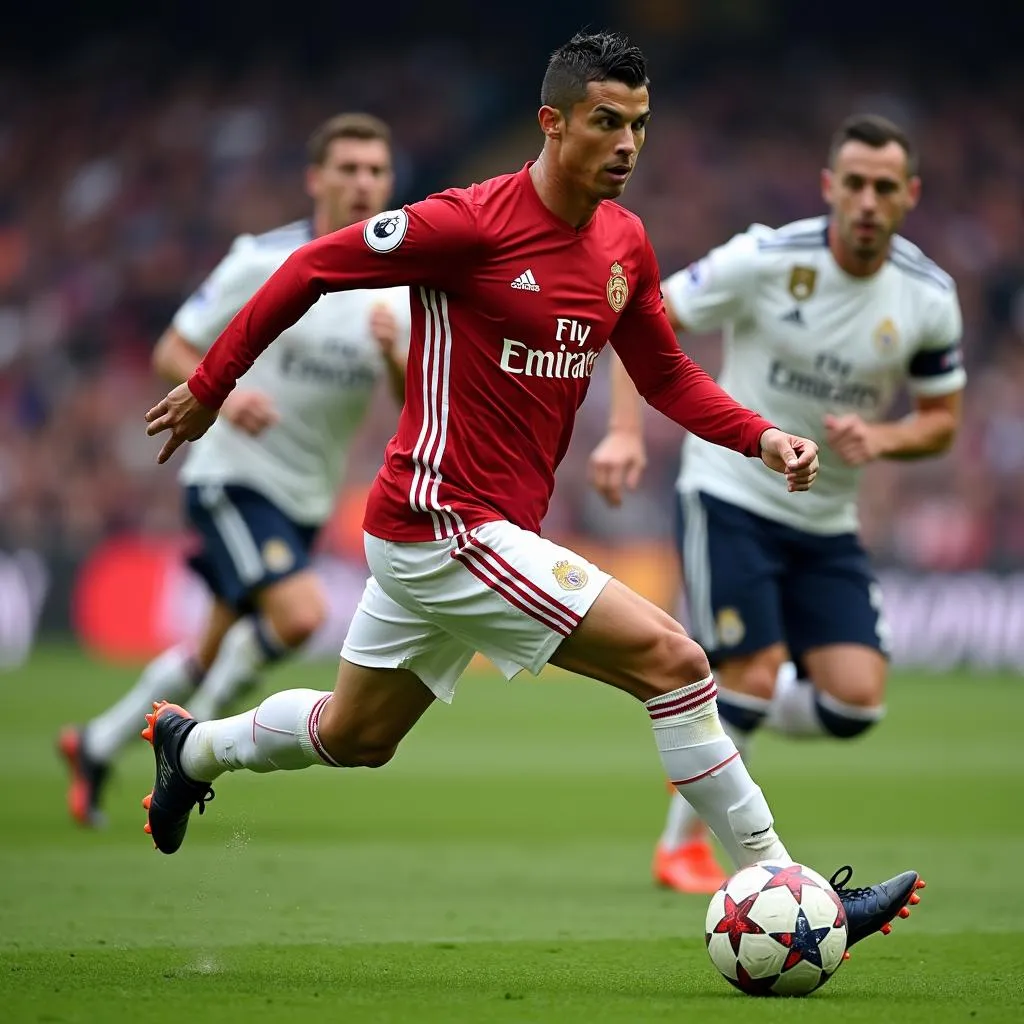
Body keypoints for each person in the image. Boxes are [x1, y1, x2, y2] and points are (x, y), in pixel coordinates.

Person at [141, 33, 923, 947]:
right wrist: (209, 387)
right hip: (445, 522)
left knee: (358, 735)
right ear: (552, 123)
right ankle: (788, 891)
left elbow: (666, 375)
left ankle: (190, 748)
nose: (628, 143)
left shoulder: (624, 242)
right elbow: (312, 267)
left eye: (639, 124)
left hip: (461, 532)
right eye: (606, 123)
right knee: (676, 663)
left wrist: (763, 436)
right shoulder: (466, 223)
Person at [589, 113, 964, 893]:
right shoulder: (765, 258)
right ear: (830, 186)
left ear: (909, 196)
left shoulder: (929, 298)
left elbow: (940, 421)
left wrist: (884, 440)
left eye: (884, 187)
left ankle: (717, 717)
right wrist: (625, 434)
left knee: (855, 704)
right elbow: (640, 317)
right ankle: (682, 846)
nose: (866, 200)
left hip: (827, 521)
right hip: (731, 492)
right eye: (853, 184)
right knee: (753, 671)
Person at [58, 113, 410, 826]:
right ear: (316, 179)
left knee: (210, 648)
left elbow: (414, 405)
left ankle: (95, 744)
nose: (362, 183)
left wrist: (398, 357)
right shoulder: (261, 260)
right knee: (301, 613)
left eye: (375, 170)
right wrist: (226, 392)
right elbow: (173, 350)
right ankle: (190, 754)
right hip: (233, 476)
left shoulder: (399, 284)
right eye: (347, 169)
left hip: (306, 496)